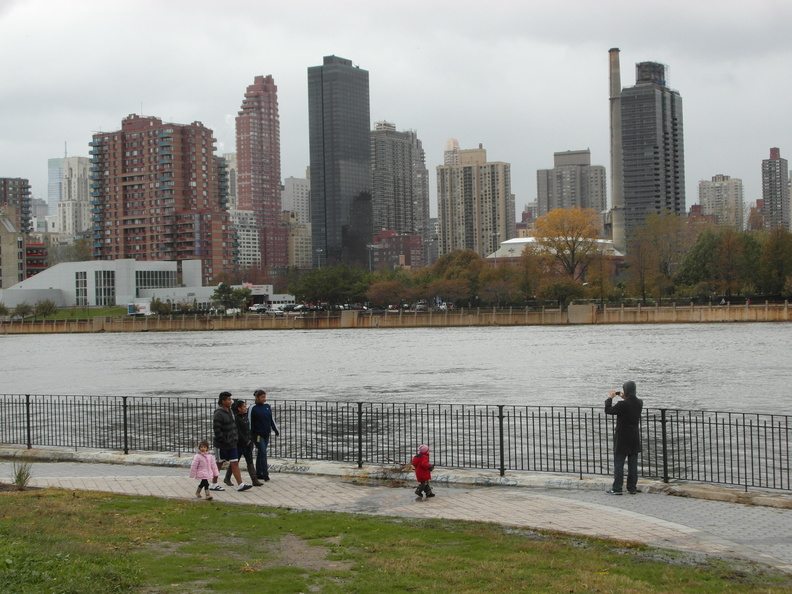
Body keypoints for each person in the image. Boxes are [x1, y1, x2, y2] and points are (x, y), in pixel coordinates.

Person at [604, 380, 643, 495]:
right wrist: (625, 397)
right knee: (633, 464)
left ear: (625, 390)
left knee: (619, 463)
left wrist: (610, 398)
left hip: (622, 438)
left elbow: (608, 410)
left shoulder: (622, 405)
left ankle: (617, 488)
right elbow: (630, 404)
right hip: (634, 437)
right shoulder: (639, 403)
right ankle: (632, 487)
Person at [213, 391, 252, 492]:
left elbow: (234, 427)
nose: (230, 401)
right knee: (219, 464)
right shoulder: (218, 413)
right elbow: (216, 429)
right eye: (229, 400)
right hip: (222, 444)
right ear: (223, 401)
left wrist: (235, 438)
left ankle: (240, 484)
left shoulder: (230, 412)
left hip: (232, 443)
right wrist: (223, 439)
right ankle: (214, 483)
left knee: (235, 463)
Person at [224, 399, 263, 487]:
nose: (245, 408)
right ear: (239, 408)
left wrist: (251, 440)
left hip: (248, 444)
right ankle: (227, 477)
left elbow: (248, 430)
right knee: (235, 462)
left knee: (250, 462)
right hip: (239, 444)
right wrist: (245, 440)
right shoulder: (236, 418)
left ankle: (254, 480)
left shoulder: (245, 417)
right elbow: (238, 431)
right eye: (244, 407)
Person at [249, 389, 279, 481]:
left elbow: (271, 419)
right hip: (257, 434)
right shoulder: (252, 407)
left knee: (261, 453)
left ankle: (259, 472)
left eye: (264, 397)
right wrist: (249, 435)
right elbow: (249, 421)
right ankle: (265, 473)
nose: (264, 399)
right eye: (262, 397)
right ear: (257, 398)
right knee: (263, 452)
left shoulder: (267, 406)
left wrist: (276, 430)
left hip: (266, 433)